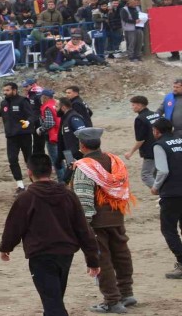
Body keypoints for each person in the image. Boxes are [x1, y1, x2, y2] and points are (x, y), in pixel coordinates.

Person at [0, 153, 100, 316]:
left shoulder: (26, 198)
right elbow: (83, 229)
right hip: (65, 254)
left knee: (53, 303)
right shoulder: (68, 195)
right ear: (51, 170)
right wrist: (92, 259)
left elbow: (14, 226)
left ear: (29, 172)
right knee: (54, 298)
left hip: (41, 255)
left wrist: (6, 248)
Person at [71, 127, 137, 313]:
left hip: (96, 222)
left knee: (102, 260)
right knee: (122, 254)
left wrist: (84, 225)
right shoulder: (115, 161)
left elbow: (84, 198)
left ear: (82, 145)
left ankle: (112, 301)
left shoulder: (84, 167)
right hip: (117, 216)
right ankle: (126, 293)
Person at [0, 82, 36, 194]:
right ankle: (20, 185)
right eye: (4, 90)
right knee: (12, 160)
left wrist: (28, 122)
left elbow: (32, 115)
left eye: (7, 90)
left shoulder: (22, 101)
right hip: (11, 136)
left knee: (28, 159)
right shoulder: (4, 103)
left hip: (24, 135)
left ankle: (35, 183)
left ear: (14, 90)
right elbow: (2, 113)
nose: (5, 92)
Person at [150, 118, 182, 279]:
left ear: (157, 131)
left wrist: (155, 187)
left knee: (168, 229)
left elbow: (163, 171)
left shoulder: (159, 145)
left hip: (172, 193)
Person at [124, 96, 161, 189]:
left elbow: (141, 139)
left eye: (133, 105)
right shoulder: (156, 114)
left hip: (150, 150)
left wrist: (130, 152)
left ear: (140, 105)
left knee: (146, 175)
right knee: (158, 173)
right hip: (161, 146)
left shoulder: (140, 119)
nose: (132, 107)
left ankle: (162, 193)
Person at [56, 98, 88, 184]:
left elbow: (83, 134)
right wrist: (60, 157)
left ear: (63, 108)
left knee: (67, 179)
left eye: (56, 106)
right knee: (70, 179)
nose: (55, 109)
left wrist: (79, 152)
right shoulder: (65, 118)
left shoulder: (73, 117)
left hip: (76, 155)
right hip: (69, 154)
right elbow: (64, 140)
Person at [36, 90, 61, 180]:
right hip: (59, 134)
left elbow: (50, 123)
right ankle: (66, 179)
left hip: (52, 136)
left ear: (45, 97)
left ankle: (62, 181)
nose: (40, 98)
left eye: (41, 96)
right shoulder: (56, 104)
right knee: (61, 157)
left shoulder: (47, 107)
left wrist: (41, 129)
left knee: (56, 160)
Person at [22, 79, 46, 155]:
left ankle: (39, 156)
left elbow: (43, 106)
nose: (25, 88)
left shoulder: (38, 93)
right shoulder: (30, 93)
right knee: (36, 140)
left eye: (26, 86)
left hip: (39, 119)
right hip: (33, 118)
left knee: (39, 140)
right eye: (24, 86)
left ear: (32, 85)